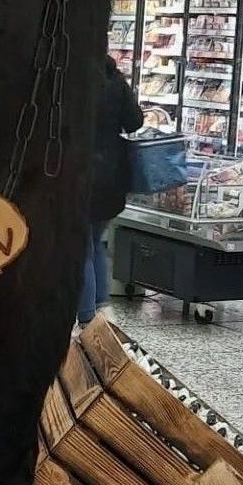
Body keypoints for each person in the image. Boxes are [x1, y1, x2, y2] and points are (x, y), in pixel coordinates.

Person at [78, 56, 144, 327]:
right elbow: (135, 122)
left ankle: (86, 315)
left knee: (81, 247)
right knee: (96, 242)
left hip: (80, 173)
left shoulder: (75, 84)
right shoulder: (117, 81)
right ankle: (102, 307)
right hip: (113, 175)